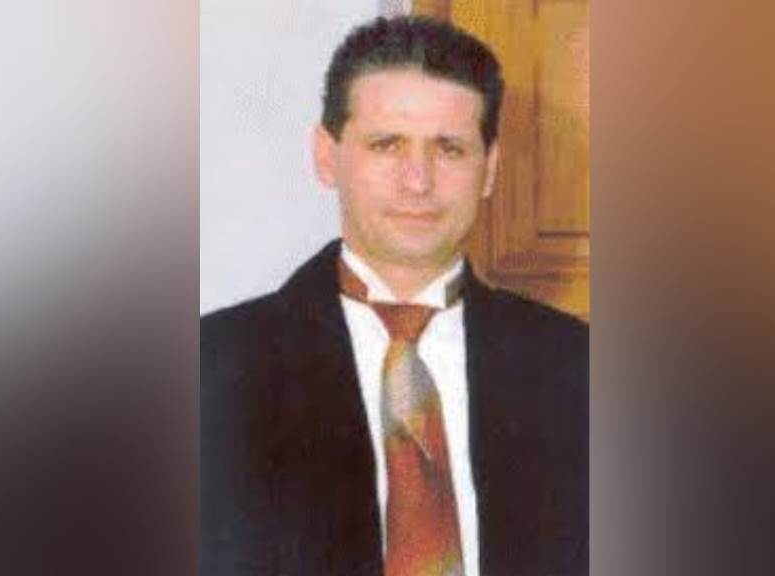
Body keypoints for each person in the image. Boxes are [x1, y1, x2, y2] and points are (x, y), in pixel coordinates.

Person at [201, 15, 587, 576]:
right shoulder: (212, 370)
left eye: (449, 149)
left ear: (489, 169)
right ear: (326, 155)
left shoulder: (579, 369)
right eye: (387, 145)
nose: (418, 181)